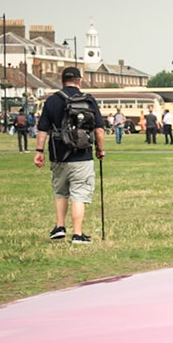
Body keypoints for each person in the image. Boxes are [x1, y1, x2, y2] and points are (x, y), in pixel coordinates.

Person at [34, 66, 108, 244]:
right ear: (79, 81)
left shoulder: (52, 101)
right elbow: (99, 130)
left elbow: (42, 129)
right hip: (82, 155)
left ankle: (60, 227)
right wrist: (100, 149)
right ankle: (77, 234)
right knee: (79, 194)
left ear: (62, 81)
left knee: (60, 192)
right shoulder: (88, 100)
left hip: (58, 154)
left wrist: (39, 151)